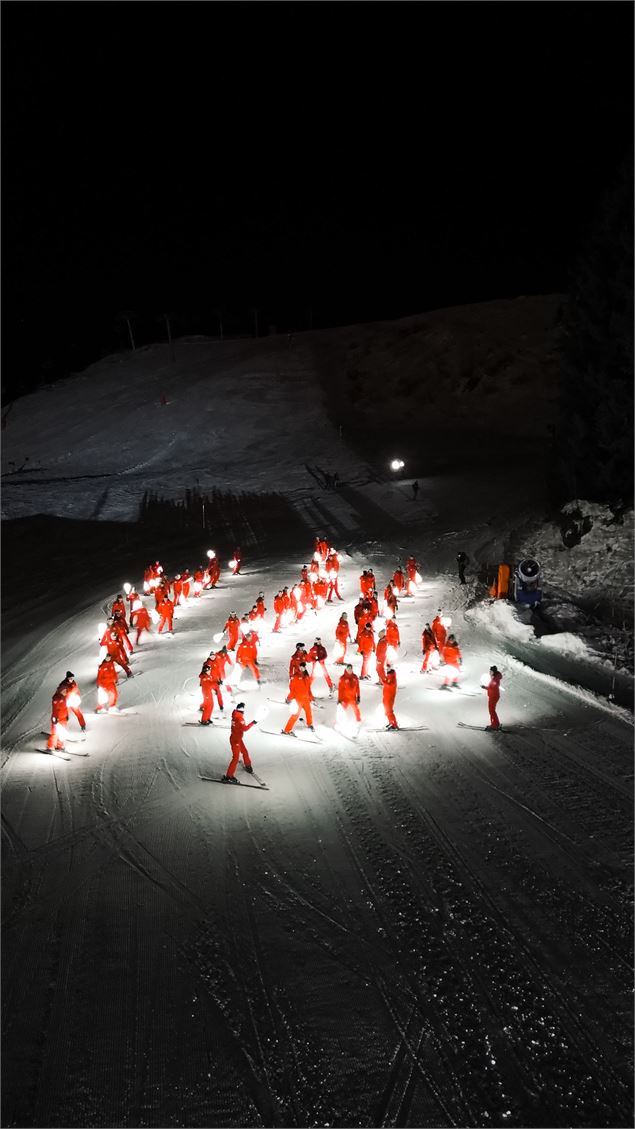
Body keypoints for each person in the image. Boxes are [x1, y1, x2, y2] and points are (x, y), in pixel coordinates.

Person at [222, 703, 257, 782]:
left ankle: (248, 765)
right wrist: (253, 723)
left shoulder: (235, 714)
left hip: (236, 738)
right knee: (235, 758)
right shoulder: (240, 718)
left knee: (244, 751)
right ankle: (229, 776)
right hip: (236, 741)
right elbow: (245, 729)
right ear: (242, 710)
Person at [282, 663, 314, 734]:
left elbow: (308, 688)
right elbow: (292, 689)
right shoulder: (295, 677)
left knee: (309, 712)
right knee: (295, 715)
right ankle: (286, 730)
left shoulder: (306, 676)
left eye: (303, 667)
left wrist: (311, 697)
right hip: (298, 699)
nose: (302, 668)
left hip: (306, 699)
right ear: (299, 667)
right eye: (301, 667)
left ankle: (310, 724)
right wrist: (289, 698)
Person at [47, 685, 70, 751]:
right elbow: (55, 710)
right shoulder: (56, 699)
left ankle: (60, 745)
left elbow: (65, 708)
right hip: (57, 719)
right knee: (55, 733)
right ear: (60, 691)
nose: (65, 692)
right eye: (64, 691)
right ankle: (50, 747)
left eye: (66, 691)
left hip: (64, 719)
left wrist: (67, 715)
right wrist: (54, 718)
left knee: (62, 733)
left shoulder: (64, 697)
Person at [382, 664, 399, 730]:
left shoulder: (393, 678)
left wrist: (384, 682)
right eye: (387, 668)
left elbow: (390, 685)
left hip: (390, 698)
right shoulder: (388, 676)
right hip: (385, 697)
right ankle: (391, 722)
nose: (387, 669)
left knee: (389, 711)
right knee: (387, 711)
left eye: (388, 668)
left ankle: (394, 724)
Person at [199, 661, 215, 725]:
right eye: (209, 670)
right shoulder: (204, 677)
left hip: (209, 692)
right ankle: (204, 720)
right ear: (206, 670)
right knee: (208, 706)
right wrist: (215, 683)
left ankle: (207, 718)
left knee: (211, 705)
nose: (210, 671)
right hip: (206, 693)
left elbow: (211, 684)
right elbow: (208, 685)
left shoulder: (208, 676)